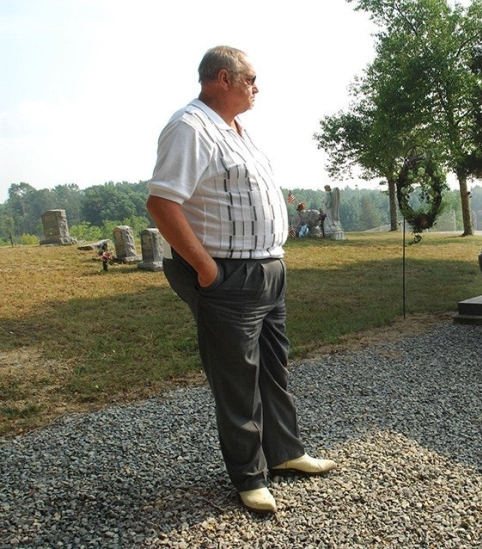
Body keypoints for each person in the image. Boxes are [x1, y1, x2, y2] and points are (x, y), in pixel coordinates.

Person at [146, 45, 336, 515]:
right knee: (237, 379)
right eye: (250, 78)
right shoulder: (189, 128)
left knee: (273, 367)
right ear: (222, 79)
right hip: (227, 274)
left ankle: (286, 452)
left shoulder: (238, 131)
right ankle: (249, 477)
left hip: (266, 269)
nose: (257, 87)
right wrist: (207, 270)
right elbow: (162, 203)